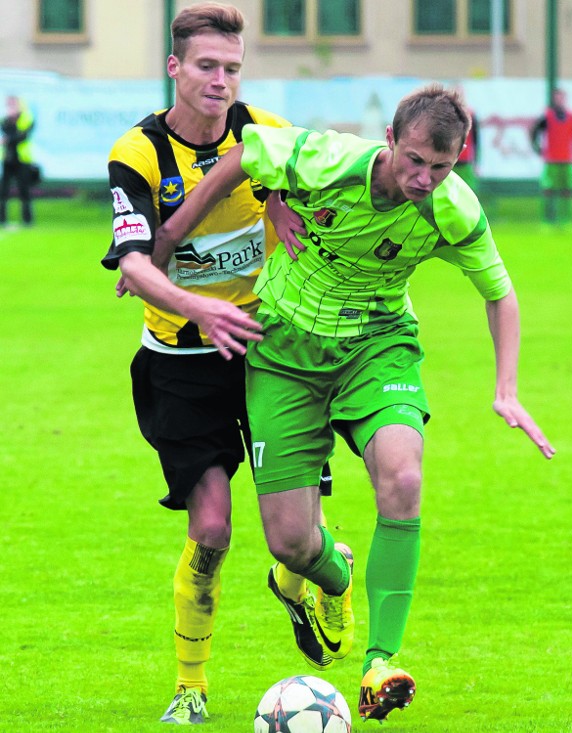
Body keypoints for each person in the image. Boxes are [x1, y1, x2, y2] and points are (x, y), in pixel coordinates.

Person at [152, 82, 556, 723]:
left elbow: (500, 293)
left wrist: (507, 390)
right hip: (283, 350)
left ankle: (380, 662)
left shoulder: (453, 209)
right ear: (390, 140)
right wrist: (170, 234)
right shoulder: (328, 159)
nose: (424, 178)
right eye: (415, 160)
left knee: (404, 476)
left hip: (378, 346)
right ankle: (331, 573)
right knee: (289, 543)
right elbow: (247, 152)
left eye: (441, 167)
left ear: (461, 158)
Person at [100, 2, 333, 725]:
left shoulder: (267, 134)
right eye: (206, 66)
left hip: (268, 353)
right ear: (175, 67)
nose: (220, 80)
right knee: (210, 529)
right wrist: (197, 306)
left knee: (296, 536)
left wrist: (285, 201)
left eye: (232, 68)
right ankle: (191, 686)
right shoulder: (136, 154)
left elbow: (336, 183)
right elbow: (133, 266)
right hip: (181, 360)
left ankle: (309, 583)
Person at [530, 87, 572, 224]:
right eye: (557, 97)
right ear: (554, 99)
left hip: (567, 159)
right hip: (551, 160)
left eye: (562, 97)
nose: (560, 100)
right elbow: (534, 132)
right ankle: (548, 219)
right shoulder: (547, 117)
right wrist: (538, 149)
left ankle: (565, 219)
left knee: (567, 190)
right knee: (548, 189)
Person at [0, 95, 35, 226]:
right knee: (3, 191)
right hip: (8, 159)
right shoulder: (5, 120)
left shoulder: (26, 118)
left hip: (22, 159)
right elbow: (5, 131)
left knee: (24, 190)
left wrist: (8, 140)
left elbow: (22, 136)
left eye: (13, 105)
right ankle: (2, 219)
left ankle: (27, 220)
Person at [452, 86, 480, 192]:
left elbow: (476, 140)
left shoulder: (471, 114)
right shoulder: (446, 114)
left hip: (466, 161)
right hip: (450, 160)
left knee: (468, 190)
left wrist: (476, 162)